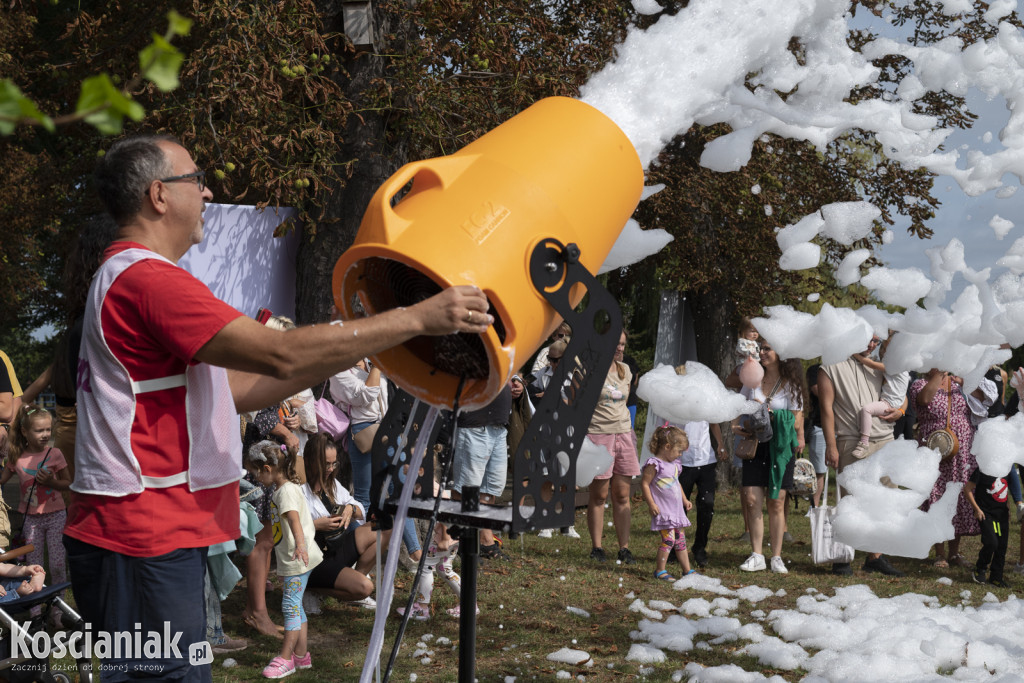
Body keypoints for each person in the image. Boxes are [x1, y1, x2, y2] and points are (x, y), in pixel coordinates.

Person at [64, 134, 493, 682]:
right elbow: (279, 352)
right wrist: (415, 319)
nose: (208, 190)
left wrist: (355, 344)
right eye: (196, 180)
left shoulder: (129, 276)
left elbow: (241, 388)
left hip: (145, 533)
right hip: (144, 535)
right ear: (159, 195)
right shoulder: (149, 280)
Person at [820, 336, 905, 576]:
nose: (871, 346)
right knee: (850, 502)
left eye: (876, 341)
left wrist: (900, 411)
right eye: (868, 340)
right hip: (851, 441)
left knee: (885, 501)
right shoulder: (830, 366)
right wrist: (831, 445)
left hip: (886, 440)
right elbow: (826, 408)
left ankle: (875, 557)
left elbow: (901, 392)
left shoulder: (881, 363)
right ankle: (842, 557)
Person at [246, 442, 322, 679]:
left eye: (256, 472)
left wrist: (300, 545)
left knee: (289, 606)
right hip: (298, 558)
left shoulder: (286, 492)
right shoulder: (284, 488)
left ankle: (286, 658)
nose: (255, 477)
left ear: (267, 468)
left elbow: (294, 521)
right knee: (295, 605)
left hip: (298, 559)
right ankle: (301, 655)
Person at [733, 344, 805, 574]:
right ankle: (757, 555)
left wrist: (772, 417)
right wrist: (736, 424)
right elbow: (738, 405)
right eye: (760, 348)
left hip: (781, 448)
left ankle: (776, 556)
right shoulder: (751, 380)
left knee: (776, 502)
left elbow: (796, 421)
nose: (761, 353)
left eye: (767, 349)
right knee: (752, 500)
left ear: (781, 354)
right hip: (756, 444)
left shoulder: (792, 385)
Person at [3, 404, 70, 625]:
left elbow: (68, 483)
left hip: (56, 516)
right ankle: (34, 614)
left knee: (58, 566)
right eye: (39, 431)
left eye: (48, 430)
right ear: (25, 432)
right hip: (30, 519)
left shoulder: (55, 454)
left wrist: (51, 482)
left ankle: (58, 611)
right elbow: (2, 480)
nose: (45, 435)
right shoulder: (16, 457)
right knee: (34, 567)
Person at [301, 433, 384, 607]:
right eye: (326, 464)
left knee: (383, 525)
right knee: (365, 587)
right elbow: (287, 532)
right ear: (310, 461)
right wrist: (316, 525)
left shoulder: (332, 484)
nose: (330, 469)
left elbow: (360, 509)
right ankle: (311, 588)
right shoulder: (298, 490)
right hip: (313, 559)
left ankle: (354, 577)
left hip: (336, 548)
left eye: (334, 463)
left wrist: (350, 509)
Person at [910, 369, 983, 569]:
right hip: (935, 448)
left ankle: (954, 553)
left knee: (958, 496)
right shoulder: (919, 384)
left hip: (962, 449)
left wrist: (965, 379)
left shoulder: (958, 383)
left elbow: (982, 399)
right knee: (937, 497)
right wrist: (939, 375)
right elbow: (925, 399)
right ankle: (939, 553)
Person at [586, 331, 640, 565]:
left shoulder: (625, 370)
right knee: (599, 494)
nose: (619, 348)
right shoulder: (590, 369)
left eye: (622, 344)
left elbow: (626, 403)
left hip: (624, 435)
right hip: (599, 435)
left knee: (622, 494)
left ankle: (624, 548)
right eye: (615, 343)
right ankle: (597, 547)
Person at [451, 383, 513, 559]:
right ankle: (462, 542)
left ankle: (486, 541)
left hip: (499, 427)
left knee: (489, 489)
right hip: (474, 425)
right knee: (466, 489)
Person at [640, 425, 694, 581]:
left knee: (680, 540)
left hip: (676, 511)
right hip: (664, 511)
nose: (680, 454)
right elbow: (644, 484)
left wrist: (684, 499)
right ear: (667, 447)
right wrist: (651, 504)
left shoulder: (675, 464)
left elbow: (677, 483)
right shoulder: (655, 464)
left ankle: (687, 570)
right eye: (679, 450)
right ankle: (660, 570)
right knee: (669, 540)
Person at [849, 334, 910, 459]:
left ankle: (864, 442)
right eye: (883, 348)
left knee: (866, 410)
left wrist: (854, 354)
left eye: (877, 342)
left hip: (889, 405)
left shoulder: (893, 366)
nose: (882, 352)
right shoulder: (902, 367)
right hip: (893, 404)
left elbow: (869, 363)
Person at [395, 519, 466, 620]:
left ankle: (421, 608)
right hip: (456, 535)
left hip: (445, 537)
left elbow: (446, 513)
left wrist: (445, 539)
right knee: (445, 569)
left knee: (425, 567)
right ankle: (469, 604)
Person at [964, 465, 1011, 587]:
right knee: (991, 543)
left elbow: (1009, 489)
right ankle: (980, 568)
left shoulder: (1006, 469)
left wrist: (1014, 505)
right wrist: (977, 509)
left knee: (1001, 546)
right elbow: (967, 489)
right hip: (986, 513)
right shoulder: (982, 469)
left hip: (1001, 514)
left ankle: (996, 577)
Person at [804, 362, 827, 508]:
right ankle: (814, 507)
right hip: (819, 427)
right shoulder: (815, 369)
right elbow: (818, 390)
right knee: (818, 471)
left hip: (842, 428)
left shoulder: (840, 368)